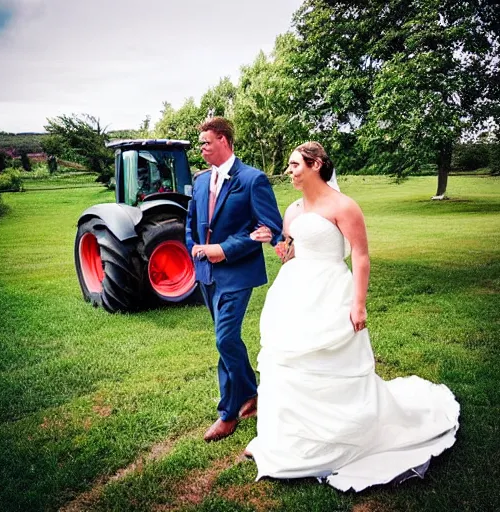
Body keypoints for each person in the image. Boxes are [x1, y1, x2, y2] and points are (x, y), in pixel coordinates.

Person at [245, 141, 460, 491]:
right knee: (286, 363)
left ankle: (342, 439)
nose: (290, 171)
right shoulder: (293, 210)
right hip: (295, 292)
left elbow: (360, 256)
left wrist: (358, 303)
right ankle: (286, 442)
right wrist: (274, 241)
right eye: (289, 165)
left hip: (332, 290)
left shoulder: (344, 206)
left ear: (317, 165)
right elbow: (291, 252)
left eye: (296, 164)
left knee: (332, 363)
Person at [185, 117, 283, 442]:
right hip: (207, 275)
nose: (201, 148)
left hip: (238, 274)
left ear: (224, 141)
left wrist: (223, 250)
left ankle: (228, 414)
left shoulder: (252, 180)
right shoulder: (199, 181)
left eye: (206, 142)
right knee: (224, 342)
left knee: (225, 339)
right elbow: (190, 225)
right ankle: (249, 394)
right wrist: (196, 250)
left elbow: (269, 228)